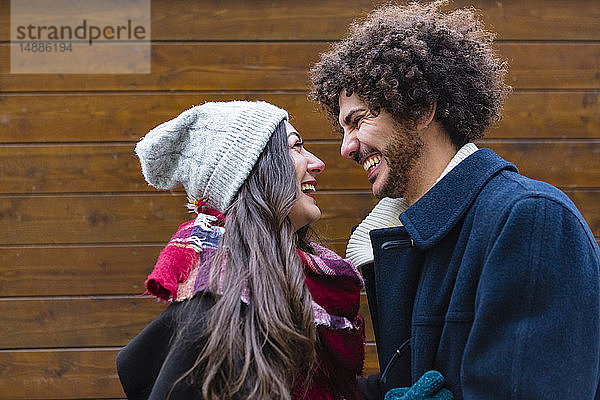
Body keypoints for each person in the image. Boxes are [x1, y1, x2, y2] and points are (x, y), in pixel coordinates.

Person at [309, 2, 600, 400]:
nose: (346, 148)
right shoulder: (395, 239)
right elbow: (407, 380)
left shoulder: (530, 218)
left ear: (420, 110)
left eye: (359, 120)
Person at [116, 101, 365, 400]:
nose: (317, 163)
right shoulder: (211, 319)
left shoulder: (308, 288)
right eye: (295, 146)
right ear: (253, 172)